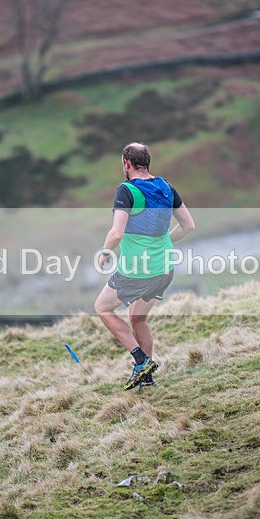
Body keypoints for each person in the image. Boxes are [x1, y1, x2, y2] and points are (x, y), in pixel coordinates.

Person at [94, 142, 196, 390]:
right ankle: (147, 378)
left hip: (138, 271)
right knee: (138, 318)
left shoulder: (127, 190)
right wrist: (163, 242)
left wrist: (105, 252)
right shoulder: (167, 187)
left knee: (102, 308)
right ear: (147, 162)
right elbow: (188, 226)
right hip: (164, 268)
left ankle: (141, 361)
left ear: (126, 163)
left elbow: (116, 233)